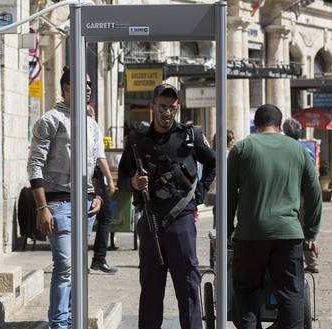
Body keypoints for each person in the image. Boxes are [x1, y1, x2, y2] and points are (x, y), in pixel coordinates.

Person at [117, 83, 216, 329]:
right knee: (150, 289)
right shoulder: (137, 140)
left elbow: (214, 162)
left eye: (172, 108)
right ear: (152, 107)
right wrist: (134, 182)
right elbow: (120, 180)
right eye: (162, 107)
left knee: (188, 287)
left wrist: (200, 193)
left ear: (178, 108)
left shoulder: (189, 136)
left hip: (181, 219)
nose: (167, 113)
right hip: (150, 221)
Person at [228, 104, 322, 329]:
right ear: (280, 126)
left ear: (256, 125)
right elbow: (315, 191)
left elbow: (228, 195)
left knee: (247, 293)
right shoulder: (298, 149)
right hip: (288, 235)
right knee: (291, 294)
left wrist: (225, 231)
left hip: (250, 234)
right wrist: (310, 232)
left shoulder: (241, 149)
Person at [27, 66, 103, 329]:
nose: (89, 87)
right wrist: (42, 207)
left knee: (79, 270)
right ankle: (59, 324)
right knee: (65, 267)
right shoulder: (50, 120)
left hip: (86, 206)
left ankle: (73, 321)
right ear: (67, 87)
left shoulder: (91, 123)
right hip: (58, 203)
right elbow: (34, 165)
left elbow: (91, 164)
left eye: (91, 83)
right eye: (84, 83)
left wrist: (96, 195)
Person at [283, 117, 320, 274]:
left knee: (292, 229)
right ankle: (312, 262)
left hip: (292, 195)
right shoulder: (308, 148)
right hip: (306, 195)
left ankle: (290, 259)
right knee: (306, 228)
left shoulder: (286, 149)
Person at [87, 105, 118, 274]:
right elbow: (100, 157)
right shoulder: (92, 127)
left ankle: (80, 260)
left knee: (85, 219)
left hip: (82, 179)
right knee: (105, 217)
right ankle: (99, 258)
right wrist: (111, 180)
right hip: (96, 180)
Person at [207, 129, 234, 268]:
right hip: (224, 193)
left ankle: (214, 259)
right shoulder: (228, 155)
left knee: (218, 226)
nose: (233, 141)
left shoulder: (212, 153)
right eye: (231, 139)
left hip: (215, 194)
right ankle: (219, 258)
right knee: (224, 227)